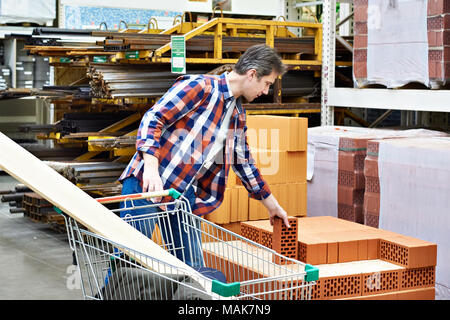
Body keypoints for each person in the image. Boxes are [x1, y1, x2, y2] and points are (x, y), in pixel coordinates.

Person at [118, 44, 291, 269]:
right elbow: (154, 118)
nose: (266, 91)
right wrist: (151, 168)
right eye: (267, 83)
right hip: (148, 184)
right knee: (129, 265)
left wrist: (272, 205)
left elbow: (243, 162)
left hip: (181, 195)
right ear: (252, 74)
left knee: (193, 270)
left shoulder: (237, 114)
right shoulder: (201, 87)